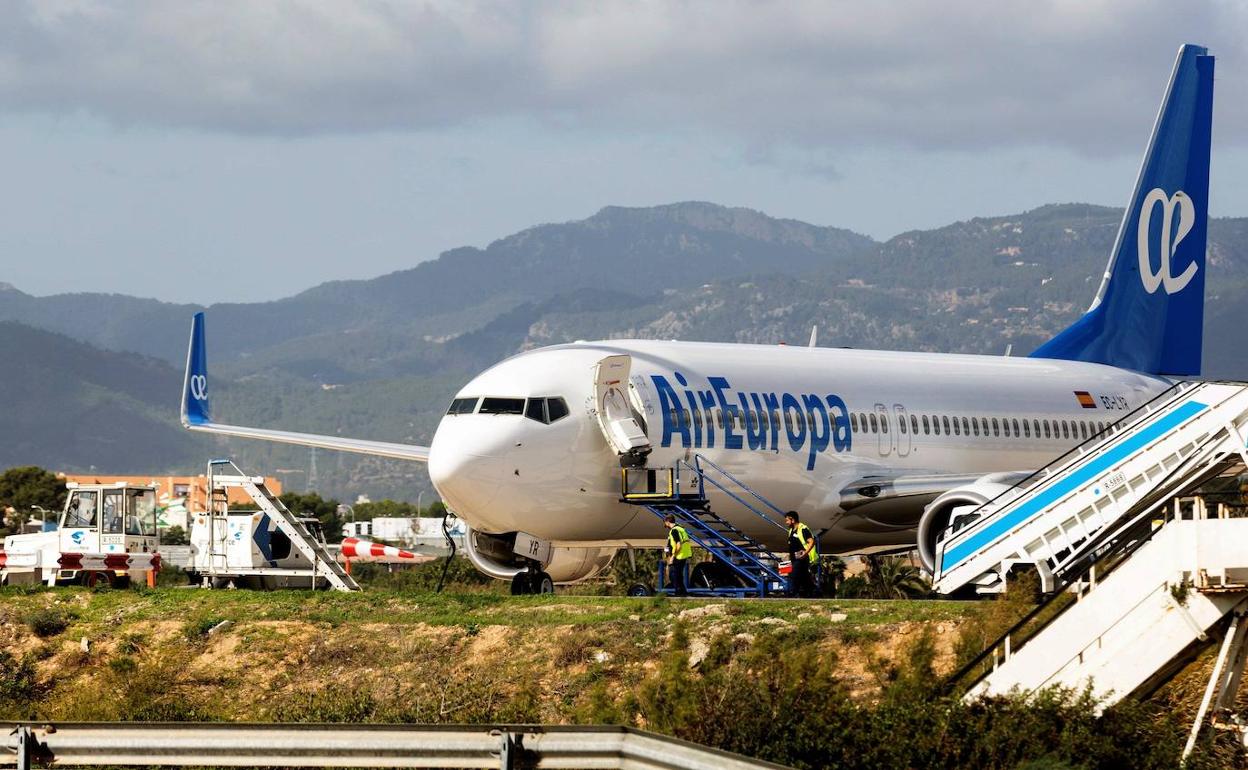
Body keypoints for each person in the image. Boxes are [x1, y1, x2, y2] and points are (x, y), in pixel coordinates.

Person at [785, 510, 818, 597]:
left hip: (801, 558)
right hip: (793, 558)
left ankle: (793, 594)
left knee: (793, 575)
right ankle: (813, 592)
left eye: (787, 520)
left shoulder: (803, 529)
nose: (786, 522)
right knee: (804, 577)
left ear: (793, 520)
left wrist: (805, 553)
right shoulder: (791, 530)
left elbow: (811, 542)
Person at [663, 513, 692, 596]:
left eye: (665, 522)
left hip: (679, 555)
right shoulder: (680, 528)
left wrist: (672, 556)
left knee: (673, 574)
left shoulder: (674, 530)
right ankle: (682, 592)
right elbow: (671, 544)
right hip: (684, 554)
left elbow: (678, 545)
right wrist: (667, 550)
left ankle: (678, 592)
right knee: (678, 574)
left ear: (668, 521)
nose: (665, 525)